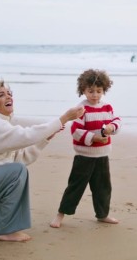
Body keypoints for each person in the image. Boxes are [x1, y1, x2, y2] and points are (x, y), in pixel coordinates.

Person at [0, 80, 84, 242]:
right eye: (1, 95)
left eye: (9, 93)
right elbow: (27, 136)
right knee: (17, 172)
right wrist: (64, 118)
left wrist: (45, 138)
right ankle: (7, 231)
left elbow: (21, 158)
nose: (8, 96)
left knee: (16, 170)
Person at [50, 69, 121, 228]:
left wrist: (111, 126)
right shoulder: (81, 109)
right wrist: (93, 137)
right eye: (90, 91)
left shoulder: (107, 107)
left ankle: (103, 214)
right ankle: (60, 214)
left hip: (102, 155)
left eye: (98, 91)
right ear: (83, 90)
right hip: (84, 156)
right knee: (75, 186)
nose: (94, 95)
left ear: (104, 90)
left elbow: (117, 121)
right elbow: (75, 131)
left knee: (103, 188)